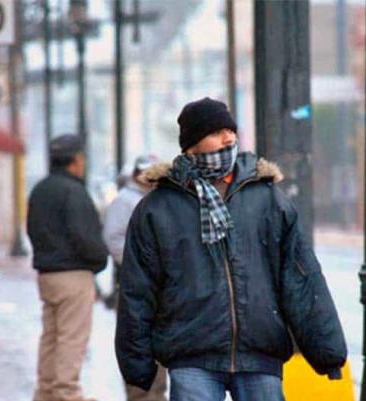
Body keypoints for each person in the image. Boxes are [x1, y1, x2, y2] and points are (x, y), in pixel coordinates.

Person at [115, 97, 347, 401]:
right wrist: (137, 365)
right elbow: (137, 290)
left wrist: (326, 349)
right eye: (216, 132)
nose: (229, 137)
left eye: (230, 129)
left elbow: (300, 277)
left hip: (260, 354)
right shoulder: (157, 209)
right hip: (191, 355)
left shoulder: (268, 199)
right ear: (191, 144)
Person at [27, 134, 108, 401]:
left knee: (51, 336)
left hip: (47, 274)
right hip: (74, 274)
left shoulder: (40, 190)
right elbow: (85, 236)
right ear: (75, 160)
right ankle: (66, 392)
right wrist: (99, 259)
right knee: (72, 338)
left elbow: (32, 229)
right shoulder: (74, 191)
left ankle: (46, 391)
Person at [103, 155, 167, 401]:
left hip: (160, 290)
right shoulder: (125, 201)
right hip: (135, 288)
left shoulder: (158, 200)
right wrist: (138, 265)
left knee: (158, 357)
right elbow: (114, 239)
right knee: (138, 352)